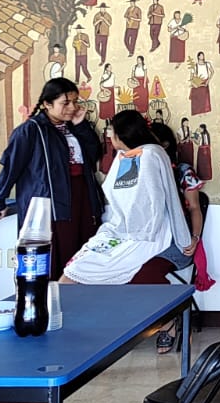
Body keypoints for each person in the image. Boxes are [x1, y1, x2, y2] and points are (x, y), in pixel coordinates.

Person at [0, 77, 104, 279]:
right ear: (47, 104)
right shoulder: (30, 130)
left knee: (82, 252)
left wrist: (81, 126)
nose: (72, 107)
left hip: (81, 197)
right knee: (53, 256)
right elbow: (11, 168)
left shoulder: (74, 126)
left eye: (75, 102)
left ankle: (81, 295)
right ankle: (52, 297)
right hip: (50, 202)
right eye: (65, 103)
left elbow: (93, 156)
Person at [62, 111, 193, 289]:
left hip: (146, 233)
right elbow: (117, 194)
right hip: (120, 229)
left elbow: (151, 200)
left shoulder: (151, 154)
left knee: (102, 267)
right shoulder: (123, 156)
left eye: (111, 132)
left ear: (120, 134)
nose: (109, 137)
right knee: (78, 265)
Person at [148, 120, 208, 348]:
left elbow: (195, 209)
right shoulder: (142, 172)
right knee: (122, 268)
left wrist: (194, 238)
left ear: (165, 147)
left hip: (176, 243)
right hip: (150, 242)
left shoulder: (183, 172)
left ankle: (168, 322)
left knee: (143, 272)